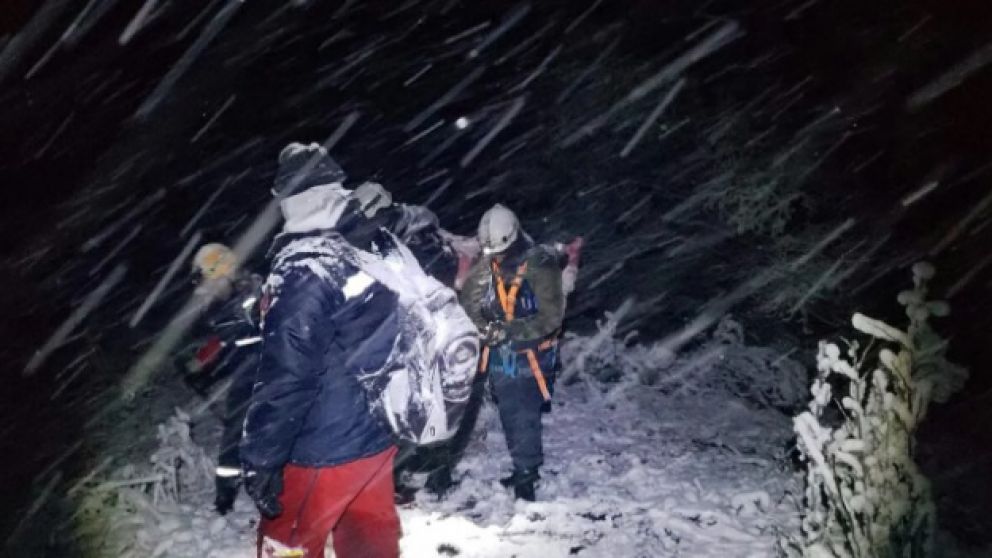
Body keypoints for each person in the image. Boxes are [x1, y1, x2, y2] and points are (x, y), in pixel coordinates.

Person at [240, 143, 404, 558]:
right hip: (376, 437)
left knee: (287, 545)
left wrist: (262, 459)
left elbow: (288, 375)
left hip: (321, 450)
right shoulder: (366, 247)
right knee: (371, 543)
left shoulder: (305, 269)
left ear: (289, 201)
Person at [459, 204, 565, 501]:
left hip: (529, 355)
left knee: (522, 415)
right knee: (509, 412)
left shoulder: (540, 264)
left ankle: (526, 475)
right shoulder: (492, 258)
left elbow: (550, 317)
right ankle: (523, 465)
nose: (494, 257)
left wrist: (510, 331)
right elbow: (470, 298)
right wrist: (483, 327)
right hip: (499, 355)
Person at [181, 243, 263, 515]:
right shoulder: (227, 304)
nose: (205, 285)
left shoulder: (253, 295)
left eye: (207, 277)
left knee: (261, 429)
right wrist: (202, 365)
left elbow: (258, 338)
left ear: (222, 272)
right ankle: (228, 491)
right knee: (235, 432)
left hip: (270, 373)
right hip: (248, 373)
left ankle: (264, 483)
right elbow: (227, 342)